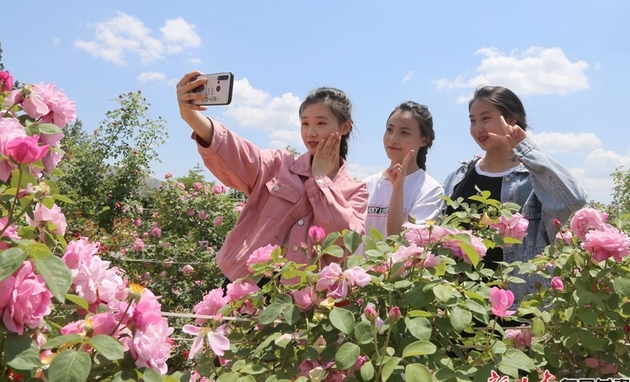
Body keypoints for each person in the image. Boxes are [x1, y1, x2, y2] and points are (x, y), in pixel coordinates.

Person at [176, 71, 368, 283]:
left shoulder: (356, 191)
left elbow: (345, 238)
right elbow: (236, 151)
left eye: (320, 123)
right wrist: (191, 116)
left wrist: (321, 179)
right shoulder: (278, 165)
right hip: (246, 284)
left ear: (345, 127)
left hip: (300, 301)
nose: (311, 132)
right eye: (305, 123)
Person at [443, 85, 587, 305]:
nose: (478, 128)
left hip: (519, 305)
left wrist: (525, 148)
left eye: (486, 118)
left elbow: (574, 200)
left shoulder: (534, 177)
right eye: (473, 120)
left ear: (511, 121)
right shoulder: (460, 176)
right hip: (463, 303)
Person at [363, 101, 444, 240]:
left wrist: (397, 189)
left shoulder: (430, 190)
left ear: (424, 140)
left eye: (404, 132)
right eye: (389, 130)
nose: (393, 139)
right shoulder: (366, 184)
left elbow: (401, 242)